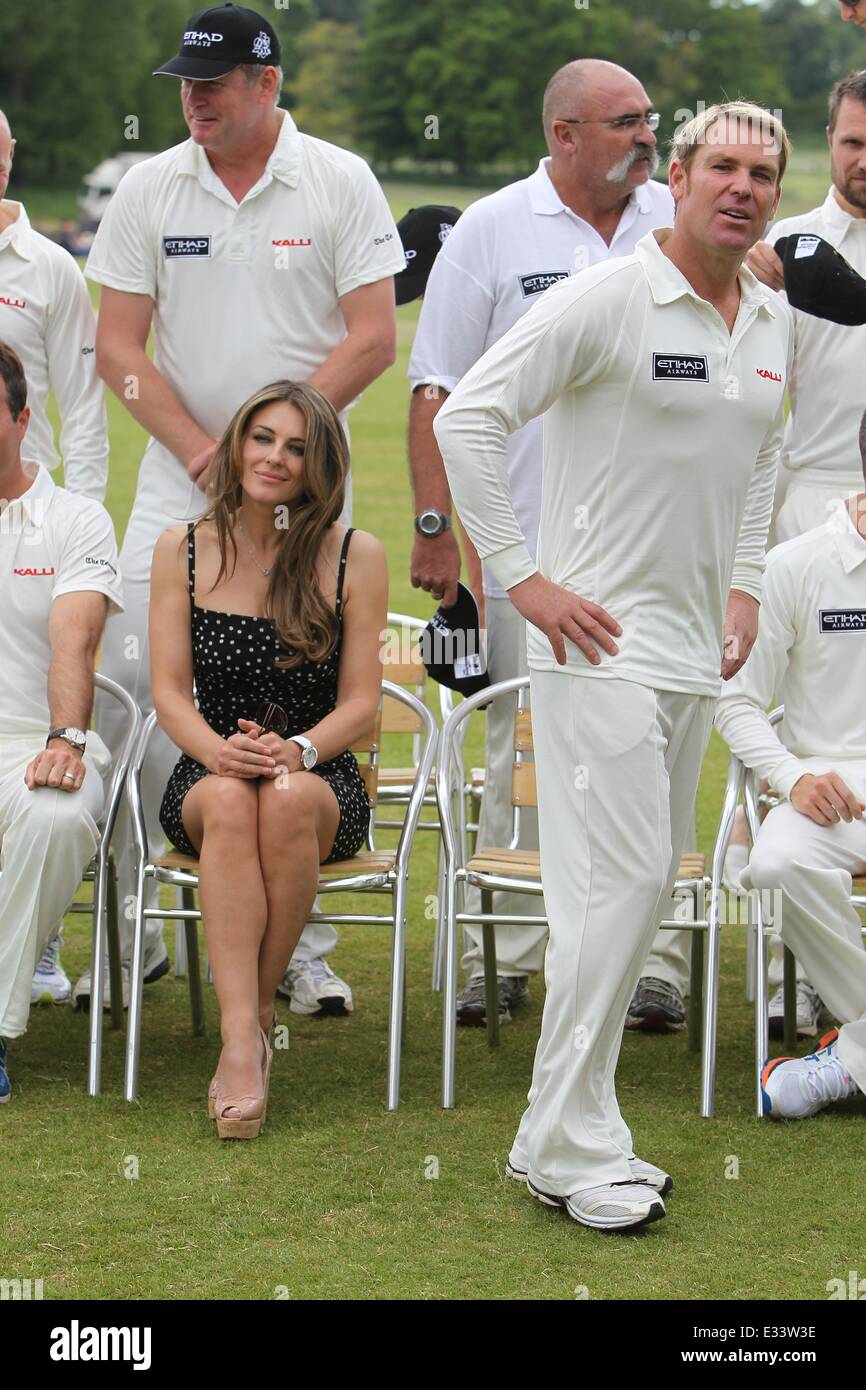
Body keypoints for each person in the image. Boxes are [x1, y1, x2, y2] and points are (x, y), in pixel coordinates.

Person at [434, 102, 793, 1231]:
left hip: (691, 652)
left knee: (625, 901)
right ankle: (561, 1144)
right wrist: (520, 578)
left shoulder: (771, 318)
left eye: (763, 173)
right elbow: (466, 419)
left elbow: (761, 459)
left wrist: (742, 585)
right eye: (721, 167)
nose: (742, 187)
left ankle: (570, 1134)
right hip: (591, 651)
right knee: (625, 884)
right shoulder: (607, 296)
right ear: (672, 177)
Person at [83, 3, 404, 1016]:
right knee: (141, 701)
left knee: (298, 716)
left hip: (299, 492)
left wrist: (276, 445)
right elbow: (118, 352)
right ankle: (143, 929)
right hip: (179, 490)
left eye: (214, 85)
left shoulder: (339, 179)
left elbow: (370, 340)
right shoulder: (149, 183)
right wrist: (199, 454)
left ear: (267, 84)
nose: (195, 99)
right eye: (186, 83)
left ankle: (294, 947)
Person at [407, 58, 675, 1027]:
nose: (644, 138)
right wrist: (440, 533)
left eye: (649, 120)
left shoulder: (673, 226)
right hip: (521, 551)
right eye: (622, 122)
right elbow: (436, 387)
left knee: (653, 747)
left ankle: (655, 967)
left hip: (652, 551)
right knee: (520, 746)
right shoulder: (489, 228)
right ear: (563, 135)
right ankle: (507, 954)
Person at [149, 379, 386, 1138]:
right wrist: (222, 754)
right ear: (236, 445)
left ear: (320, 467)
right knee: (230, 800)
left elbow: (361, 703)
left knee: (281, 796)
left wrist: (297, 749)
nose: (274, 458)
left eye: (296, 447)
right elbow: (169, 693)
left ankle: (245, 1026)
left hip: (316, 776)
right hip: (209, 769)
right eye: (262, 438)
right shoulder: (180, 549)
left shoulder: (354, 555)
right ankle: (246, 1033)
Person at [699, 71, 866, 1037]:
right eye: (851, 141)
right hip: (808, 507)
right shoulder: (787, 252)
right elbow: (754, 405)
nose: (863, 159)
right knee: (786, 733)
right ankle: (782, 997)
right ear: (830, 141)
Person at [713, 414, 866, 1121]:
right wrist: (792, 778)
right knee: (772, 866)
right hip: (828, 792)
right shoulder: (796, 565)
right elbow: (734, 699)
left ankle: (850, 1058)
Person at [0, 109, 111, 1006]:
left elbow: (82, 401)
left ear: (7, 158)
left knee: (50, 726)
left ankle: (34, 939)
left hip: (34, 526)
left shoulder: (49, 269)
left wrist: (83, 524)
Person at [0, 342, 122, 1102]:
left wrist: (65, 738)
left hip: (35, 737)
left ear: (21, 417)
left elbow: (74, 638)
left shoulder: (75, 519)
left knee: (55, 812)